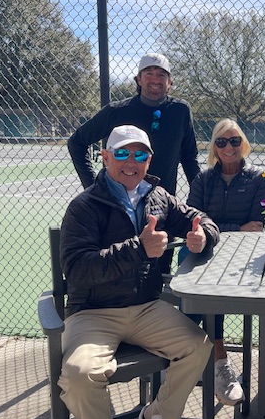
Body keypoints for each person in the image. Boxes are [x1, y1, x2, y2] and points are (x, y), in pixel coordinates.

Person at [58, 125, 217, 419]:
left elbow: (201, 219)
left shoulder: (158, 196)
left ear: (149, 160)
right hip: (92, 312)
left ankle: (155, 418)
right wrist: (139, 249)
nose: (131, 162)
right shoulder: (84, 206)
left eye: (139, 154)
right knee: (79, 376)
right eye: (122, 153)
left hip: (145, 307)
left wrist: (202, 236)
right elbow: (77, 269)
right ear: (105, 158)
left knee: (198, 347)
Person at [68, 53, 201, 275]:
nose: (155, 79)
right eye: (148, 73)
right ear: (138, 80)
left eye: (161, 74)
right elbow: (77, 143)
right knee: (116, 269)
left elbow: (189, 158)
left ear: (170, 82)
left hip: (160, 210)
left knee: (159, 277)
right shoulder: (117, 111)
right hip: (116, 209)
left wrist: (199, 200)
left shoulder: (180, 111)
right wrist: (93, 187)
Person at [178, 118, 265, 405]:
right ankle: (215, 360)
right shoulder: (203, 180)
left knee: (210, 294)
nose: (228, 147)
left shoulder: (259, 178)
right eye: (221, 142)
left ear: (242, 144)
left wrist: (221, 227)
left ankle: (199, 356)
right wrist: (237, 227)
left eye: (234, 141)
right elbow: (194, 221)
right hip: (205, 249)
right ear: (214, 148)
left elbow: (259, 224)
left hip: (245, 255)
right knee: (196, 284)